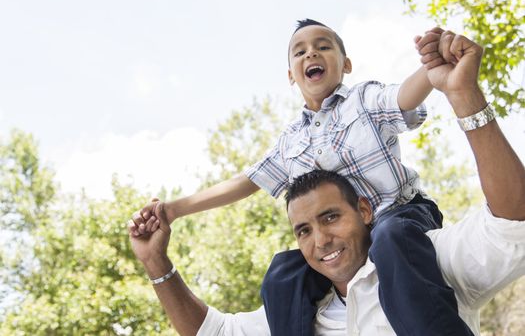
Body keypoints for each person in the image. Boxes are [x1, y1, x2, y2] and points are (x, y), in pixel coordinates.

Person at [129, 29, 525, 335]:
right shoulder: (290, 141)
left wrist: (434, 68)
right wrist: (174, 210)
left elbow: (404, 96)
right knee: (282, 271)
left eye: (323, 46)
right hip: (371, 238)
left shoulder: (363, 101)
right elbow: (246, 181)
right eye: (300, 52)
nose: (311, 54)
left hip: (401, 219)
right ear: (291, 75)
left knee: (389, 241)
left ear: (345, 64)